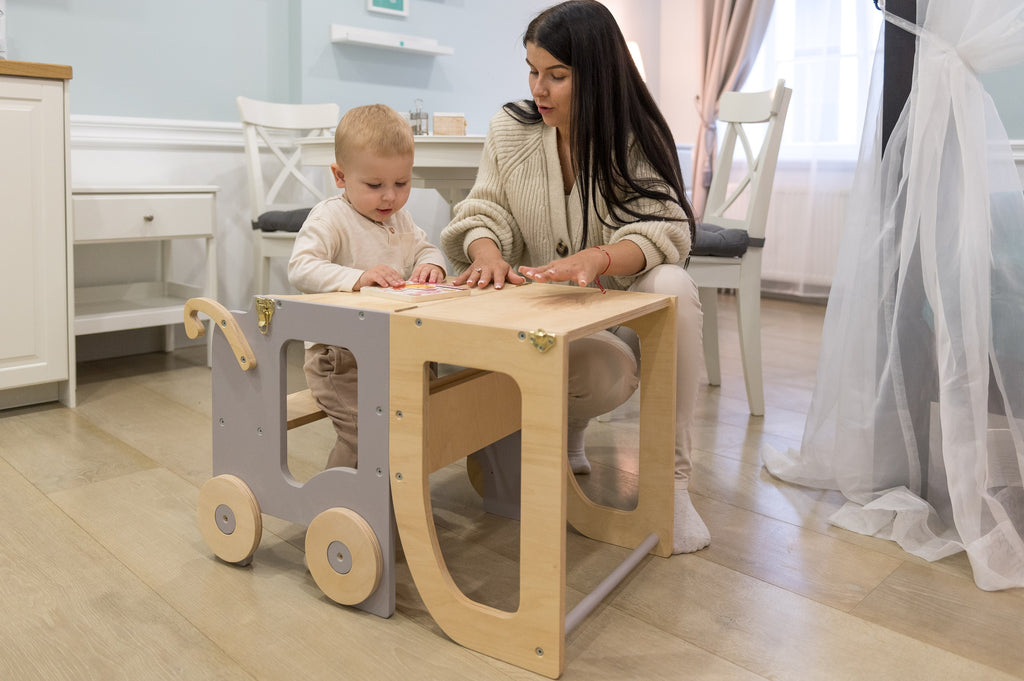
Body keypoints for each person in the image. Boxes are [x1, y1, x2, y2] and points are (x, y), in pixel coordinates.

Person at [440, 0, 709, 553]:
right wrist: (487, 252)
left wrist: (600, 259)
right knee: (455, 283)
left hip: (616, 310)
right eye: (532, 71)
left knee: (674, 286)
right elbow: (481, 210)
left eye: (557, 76)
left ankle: (672, 485)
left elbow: (667, 228)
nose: (539, 88)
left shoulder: (635, 134)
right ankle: (563, 429)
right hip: (544, 322)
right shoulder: (509, 130)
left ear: (598, 73)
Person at [289, 103, 447, 470]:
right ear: (340, 176)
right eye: (375, 185)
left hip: (399, 348)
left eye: (401, 183)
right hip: (340, 358)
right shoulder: (331, 217)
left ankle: (394, 495)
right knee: (366, 433)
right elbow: (301, 266)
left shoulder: (400, 218)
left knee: (424, 418)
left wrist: (430, 263)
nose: (390, 197)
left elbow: (425, 246)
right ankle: (340, 504)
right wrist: (355, 278)